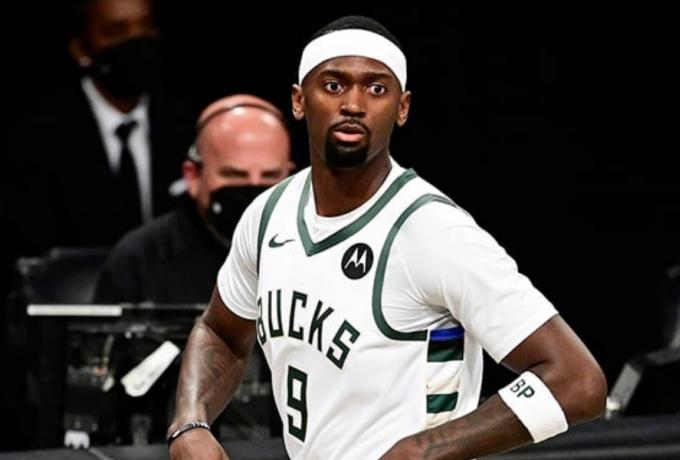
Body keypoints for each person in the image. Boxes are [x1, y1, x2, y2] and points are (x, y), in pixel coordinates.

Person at [167, 16, 607, 460]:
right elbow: (221, 332)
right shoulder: (268, 215)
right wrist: (189, 420)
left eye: (376, 88)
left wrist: (423, 450)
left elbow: (577, 382)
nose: (353, 104)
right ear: (299, 100)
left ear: (403, 107)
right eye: (334, 86)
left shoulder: (432, 231)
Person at [8, 0, 194, 256]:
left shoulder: (188, 125)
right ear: (80, 49)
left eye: (146, 27)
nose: (136, 41)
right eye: (116, 31)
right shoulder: (39, 138)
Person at [93, 94, 294, 304]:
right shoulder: (138, 261)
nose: (254, 187)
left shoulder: (312, 253)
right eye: (236, 176)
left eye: (270, 176)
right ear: (193, 176)